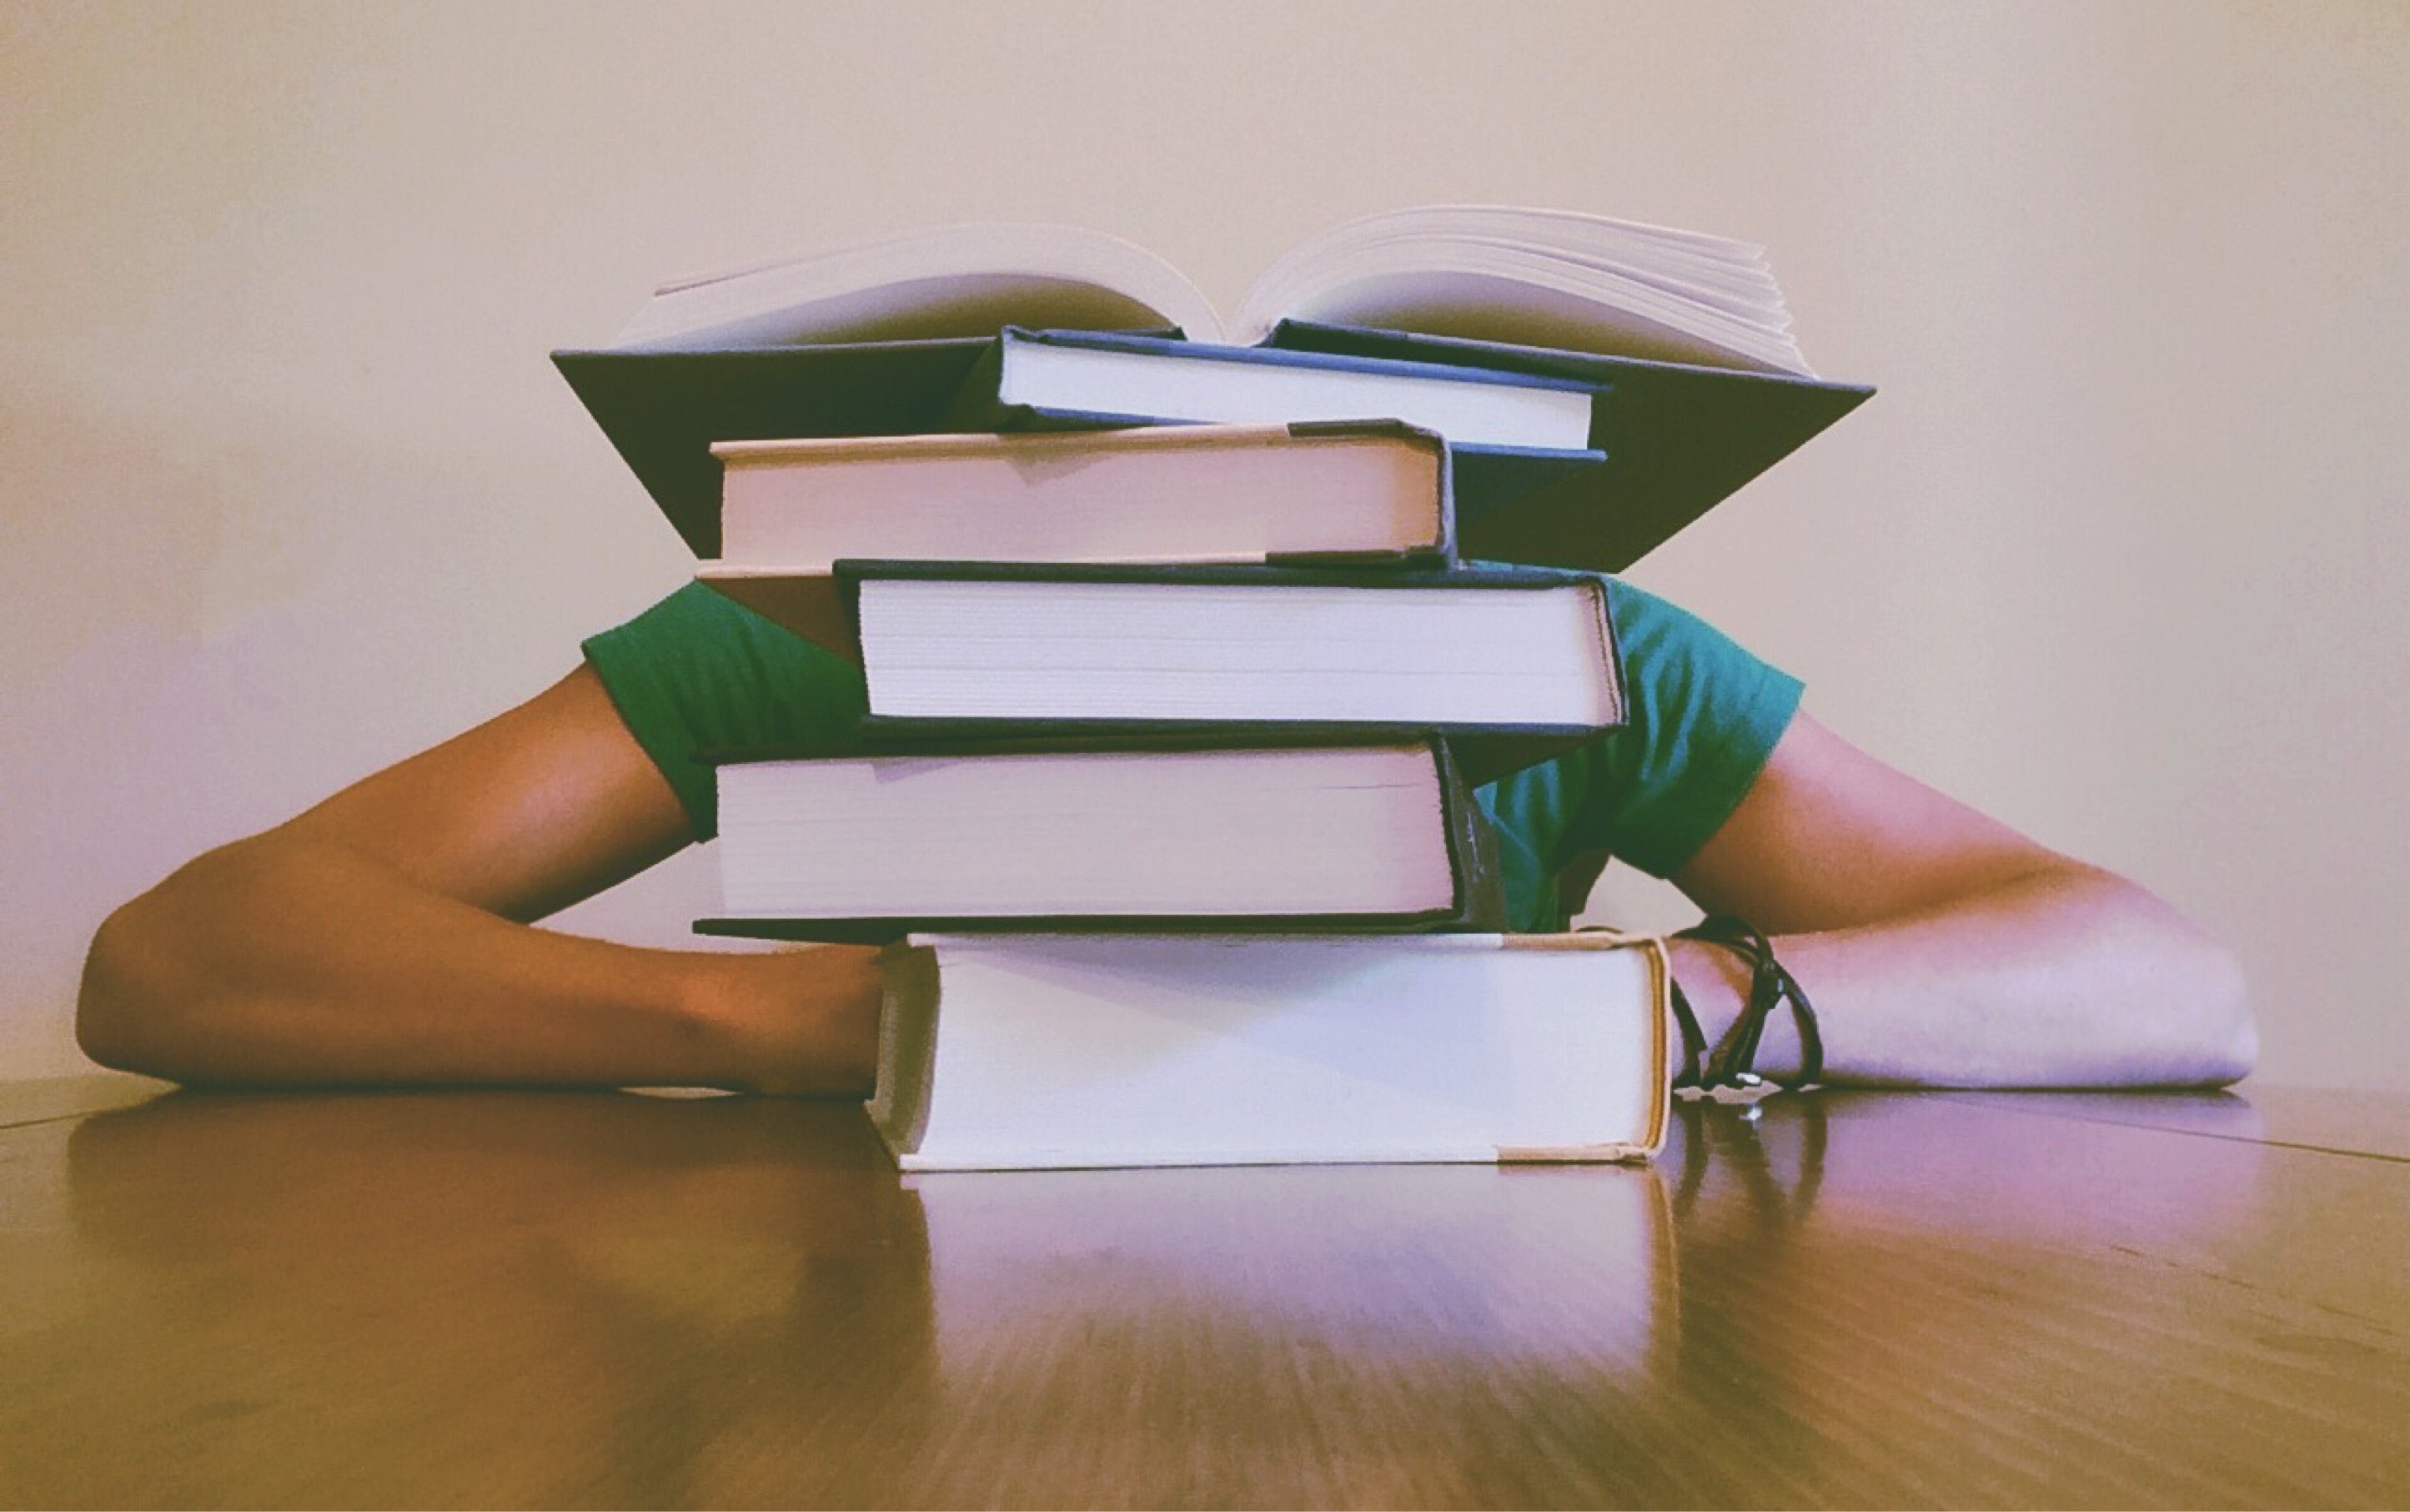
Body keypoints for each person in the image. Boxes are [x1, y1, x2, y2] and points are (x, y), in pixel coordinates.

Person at [76, 578, 2257, 1095]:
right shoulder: (819, 628)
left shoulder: (1560, 655)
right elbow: (181, 958)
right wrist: (802, 1020)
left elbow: (2163, 976)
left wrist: (1673, 1002)